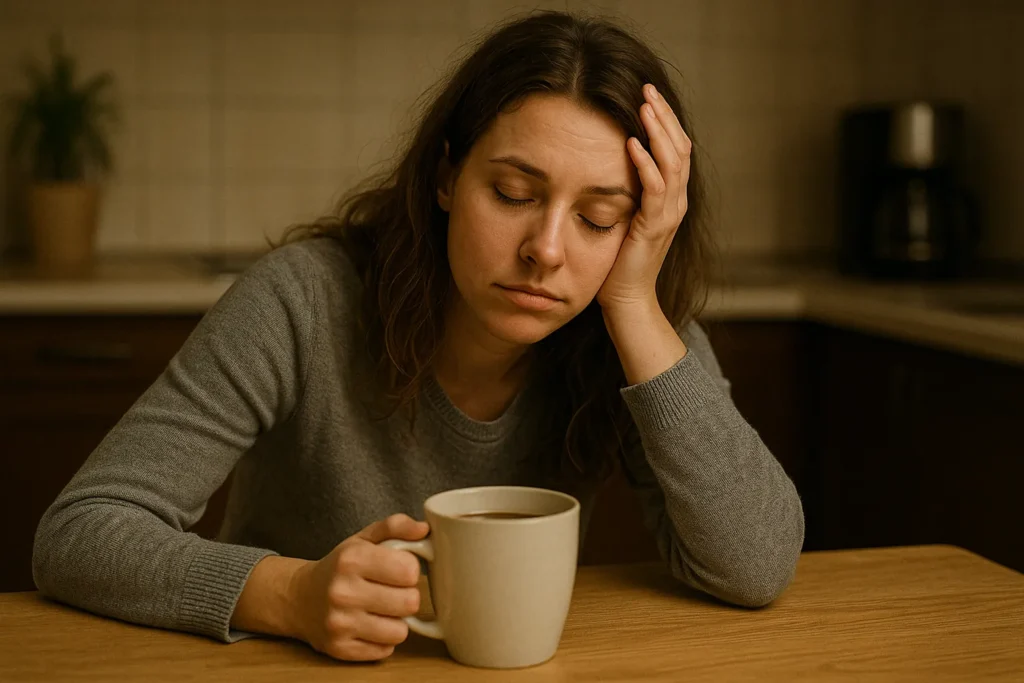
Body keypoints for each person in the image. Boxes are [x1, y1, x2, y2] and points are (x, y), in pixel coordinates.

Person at [32, 10, 804, 663]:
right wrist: (290, 594)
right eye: (511, 193)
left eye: (599, 217)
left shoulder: (632, 331)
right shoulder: (301, 301)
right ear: (445, 177)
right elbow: (79, 532)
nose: (547, 249)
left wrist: (634, 301)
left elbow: (758, 564)